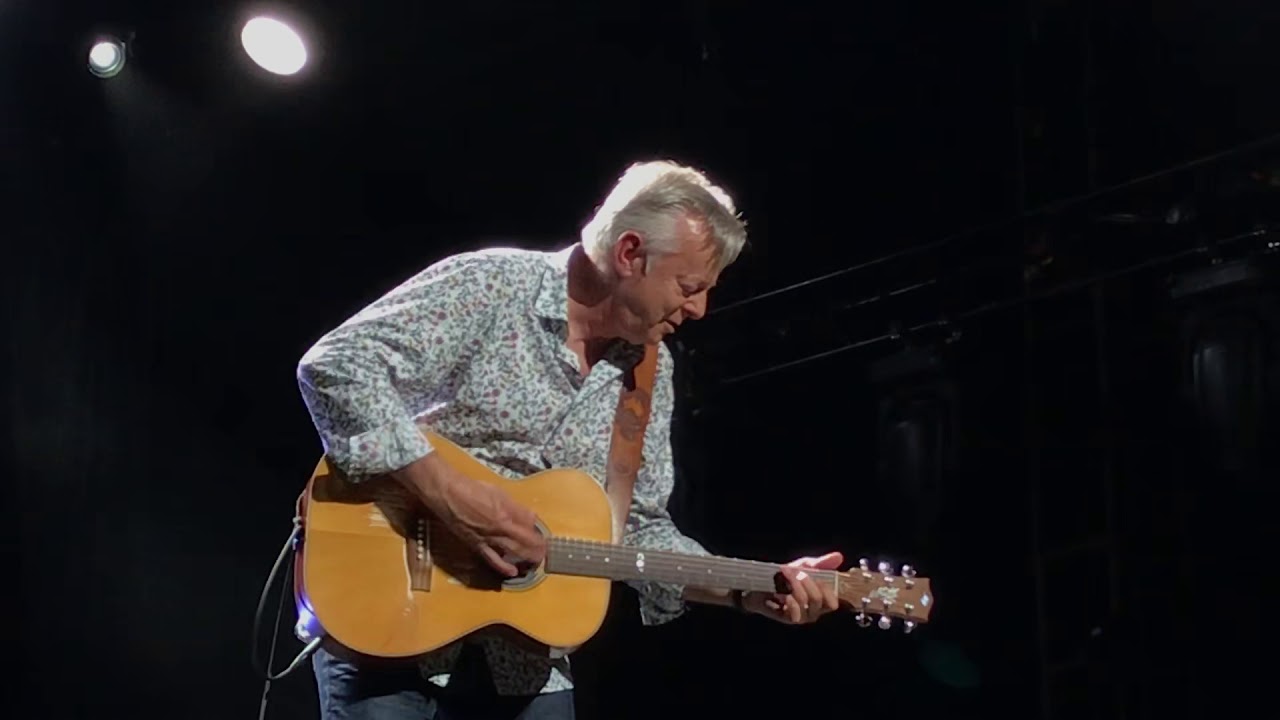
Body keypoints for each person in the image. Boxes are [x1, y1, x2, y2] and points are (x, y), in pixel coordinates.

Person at [296, 160, 845, 719]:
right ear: (630, 253)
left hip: (527, 661)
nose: (699, 309)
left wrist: (748, 591)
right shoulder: (493, 285)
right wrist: (449, 495)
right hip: (388, 613)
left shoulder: (650, 373)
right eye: (689, 287)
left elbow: (636, 529)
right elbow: (337, 366)